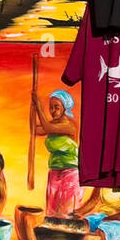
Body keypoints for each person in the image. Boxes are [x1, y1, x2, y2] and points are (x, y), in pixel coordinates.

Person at [31, 87, 81, 218]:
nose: (52, 111)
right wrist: (33, 110)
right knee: (52, 212)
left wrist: (38, 106)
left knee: (66, 213)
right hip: (54, 172)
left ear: (65, 107)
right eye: (50, 107)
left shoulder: (70, 126)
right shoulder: (52, 124)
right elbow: (35, 129)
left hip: (70, 174)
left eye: (56, 107)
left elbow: (47, 128)